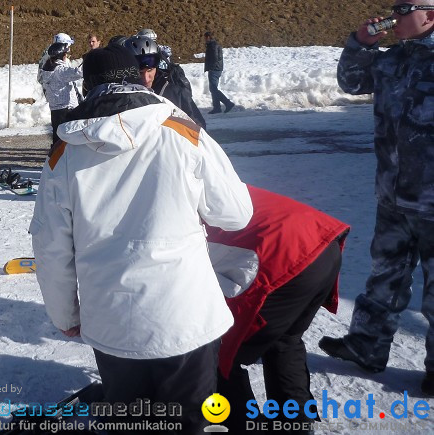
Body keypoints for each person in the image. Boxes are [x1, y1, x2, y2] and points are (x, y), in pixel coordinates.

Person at [30, 44, 253, 433]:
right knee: (189, 424)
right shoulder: (182, 131)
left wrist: (65, 315)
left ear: (89, 86)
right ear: (136, 77)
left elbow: (50, 247)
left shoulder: (64, 152)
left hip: (111, 319)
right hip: (185, 317)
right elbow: (235, 215)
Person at [318, 0, 434, 395]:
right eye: (395, 8)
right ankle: (365, 346)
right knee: (384, 276)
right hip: (393, 196)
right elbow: (351, 83)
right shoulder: (393, 62)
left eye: (405, 9)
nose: (395, 15)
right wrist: (360, 45)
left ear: (430, 16)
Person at [208, 186, 349, 431]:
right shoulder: (208, 177)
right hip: (322, 243)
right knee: (285, 340)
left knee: (216, 350)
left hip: (284, 255)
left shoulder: (162, 205)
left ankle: (240, 425)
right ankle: (296, 424)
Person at [131, 29, 206, 129]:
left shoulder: (176, 93)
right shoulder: (119, 97)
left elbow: (199, 130)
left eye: (150, 70)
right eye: (140, 73)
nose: (146, 79)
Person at [39, 41, 83, 145]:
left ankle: (55, 158)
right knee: (68, 139)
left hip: (55, 110)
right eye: (66, 54)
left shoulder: (47, 69)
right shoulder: (59, 71)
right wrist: (88, 60)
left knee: (57, 137)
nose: (67, 56)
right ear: (62, 55)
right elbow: (78, 73)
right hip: (65, 110)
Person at [204, 31, 235, 114]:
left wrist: (210, 67)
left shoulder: (212, 46)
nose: (205, 40)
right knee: (213, 89)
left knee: (213, 89)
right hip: (217, 69)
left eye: (205, 37)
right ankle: (217, 107)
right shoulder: (214, 45)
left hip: (214, 69)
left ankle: (228, 103)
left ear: (208, 37)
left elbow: (215, 57)